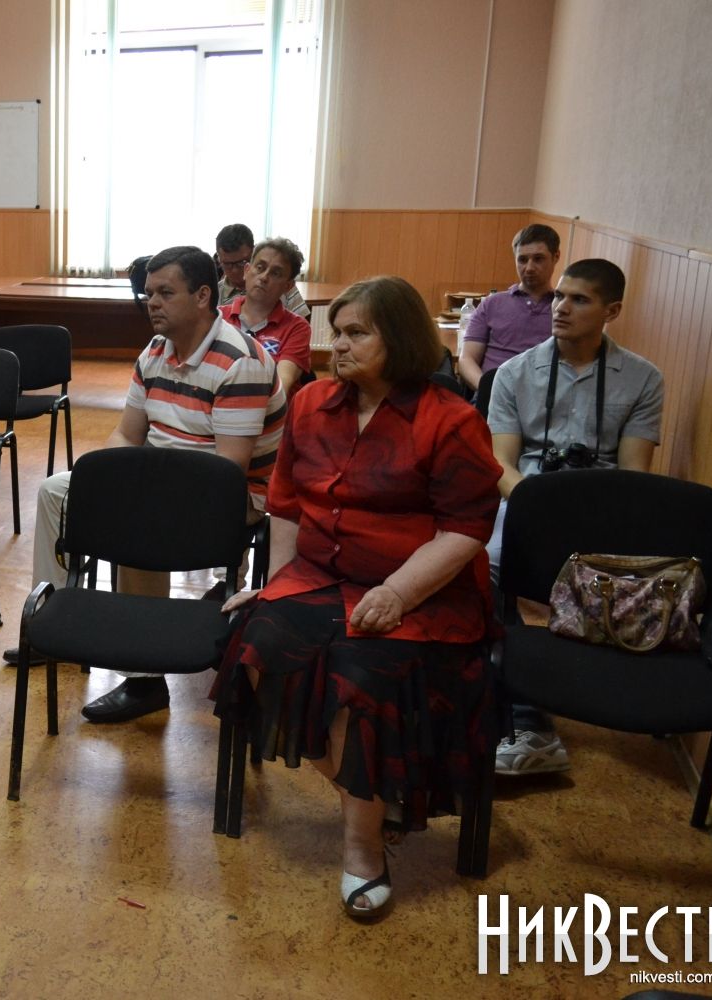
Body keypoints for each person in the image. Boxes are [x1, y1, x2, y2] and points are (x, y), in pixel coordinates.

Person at [215, 275, 501, 920]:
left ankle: (362, 845)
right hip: (318, 575)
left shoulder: (450, 420)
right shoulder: (313, 403)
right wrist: (275, 584)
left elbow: (465, 529)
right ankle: (370, 798)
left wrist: (398, 591)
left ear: (399, 338)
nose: (338, 345)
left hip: (421, 589)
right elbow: (286, 505)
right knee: (254, 651)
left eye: (356, 333)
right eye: (336, 333)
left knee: (356, 680)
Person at [2, 246, 285, 724]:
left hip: (229, 497)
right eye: (149, 293)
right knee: (56, 491)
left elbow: (228, 471)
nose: (151, 302)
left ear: (202, 296)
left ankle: (144, 680)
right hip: (159, 474)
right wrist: (114, 482)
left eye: (165, 293)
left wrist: (135, 493)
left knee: (135, 518)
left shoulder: (241, 362)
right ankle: (50, 630)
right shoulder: (155, 351)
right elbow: (126, 435)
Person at [485, 258, 664, 775]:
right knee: (483, 566)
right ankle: (522, 709)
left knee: (629, 572)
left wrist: (587, 522)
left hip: (605, 507)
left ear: (612, 310)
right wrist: (541, 513)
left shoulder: (643, 379)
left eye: (579, 299)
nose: (560, 307)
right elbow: (501, 465)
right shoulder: (514, 374)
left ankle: (598, 690)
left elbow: (634, 474)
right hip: (526, 499)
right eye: (560, 296)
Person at [456, 224, 562, 391]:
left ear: (556, 257)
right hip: (491, 392)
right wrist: (489, 390)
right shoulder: (492, 304)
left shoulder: (564, 309)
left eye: (538, 259)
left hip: (543, 396)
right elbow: (466, 359)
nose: (529, 268)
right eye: (522, 260)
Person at [219, 237, 313, 398]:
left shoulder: (297, 327)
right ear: (247, 270)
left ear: (288, 286)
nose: (264, 277)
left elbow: (281, 387)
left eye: (276, 273)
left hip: (269, 410)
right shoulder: (218, 317)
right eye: (260, 267)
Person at [215, 223, 310, 319]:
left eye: (241, 262)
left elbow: (302, 323)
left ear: (253, 253)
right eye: (227, 264)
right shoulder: (214, 294)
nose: (235, 270)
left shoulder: (282, 286)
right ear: (219, 259)